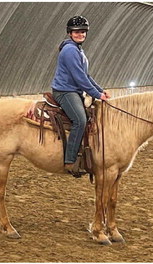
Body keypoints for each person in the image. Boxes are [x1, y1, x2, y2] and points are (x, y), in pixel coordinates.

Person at [51, 16, 111, 174]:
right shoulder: (70, 50)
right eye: (77, 31)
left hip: (73, 90)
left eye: (83, 31)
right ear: (70, 33)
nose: (80, 34)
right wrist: (97, 94)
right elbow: (80, 78)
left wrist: (100, 90)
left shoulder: (78, 50)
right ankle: (70, 160)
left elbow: (86, 75)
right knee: (80, 120)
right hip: (65, 91)